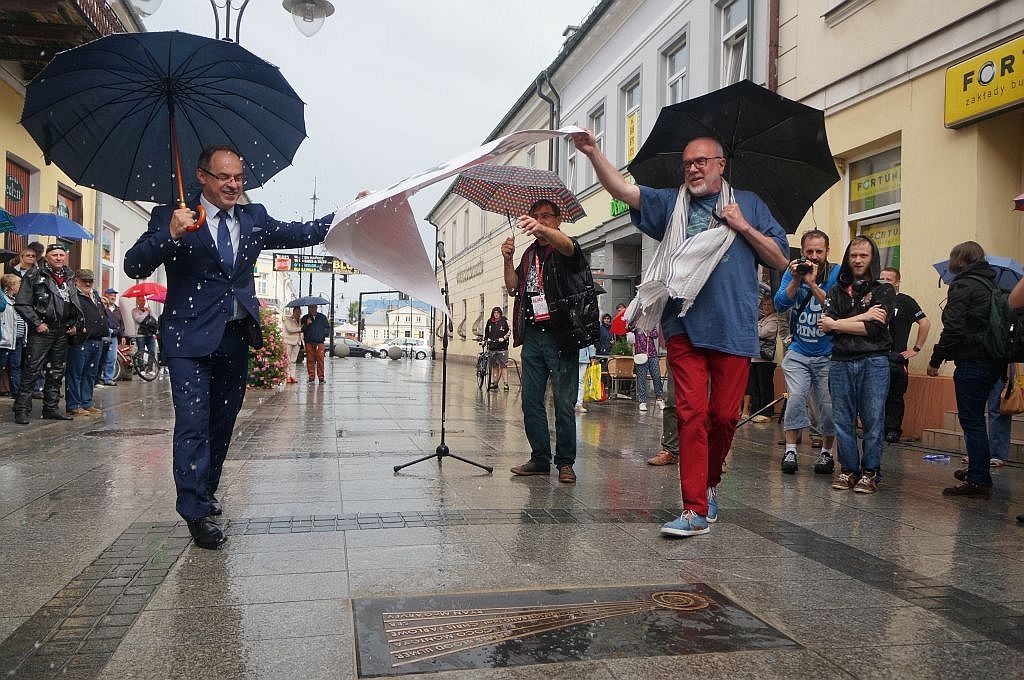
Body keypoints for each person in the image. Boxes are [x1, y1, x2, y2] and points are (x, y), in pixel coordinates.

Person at [571, 131, 788, 536]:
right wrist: (593, 152)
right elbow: (623, 189)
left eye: (702, 161)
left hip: (734, 328)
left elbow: (779, 257)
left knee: (723, 417)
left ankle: (709, 485)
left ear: (721, 164)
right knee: (691, 415)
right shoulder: (672, 204)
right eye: (688, 162)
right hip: (683, 325)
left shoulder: (751, 205)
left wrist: (743, 226)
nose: (693, 168)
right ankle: (693, 509)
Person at [124, 143, 335, 549]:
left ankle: (206, 490)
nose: (233, 184)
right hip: (188, 340)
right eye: (224, 177)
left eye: (239, 177)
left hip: (235, 337)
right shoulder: (174, 215)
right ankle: (194, 511)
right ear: (202, 177)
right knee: (192, 423)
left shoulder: (253, 218)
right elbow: (135, 263)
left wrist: (346, 215)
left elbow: (300, 232)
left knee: (222, 424)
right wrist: (169, 234)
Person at [502, 198, 599, 485]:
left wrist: (545, 232)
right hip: (532, 334)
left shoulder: (565, 248)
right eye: (535, 217)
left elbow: (570, 247)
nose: (541, 221)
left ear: (558, 221)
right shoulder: (528, 254)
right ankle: (540, 458)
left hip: (561, 335)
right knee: (530, 400)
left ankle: (566, 462)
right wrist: (507, 260)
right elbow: (512, 287)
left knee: (563, 401)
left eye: (547, 216)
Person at [819, 236, 895, 493]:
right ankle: (849, 470)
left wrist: (838, 323)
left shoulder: (884, 290)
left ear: (872, 258)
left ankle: (870, 472)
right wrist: (860, 317)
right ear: (847, 258)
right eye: (854, 255)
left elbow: (874, 328)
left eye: (863, 255)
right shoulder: (835, 290)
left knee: (873, 418)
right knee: (842, 420)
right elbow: (824, 326)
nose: (858, 260)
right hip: (840, 362)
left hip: (874, 361)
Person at [927, 241, 1001, 499]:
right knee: (977, 420)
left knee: (972, 422)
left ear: (958, 260)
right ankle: (978, 469)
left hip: (972, 360)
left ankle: (978, 481)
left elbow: (954, 329)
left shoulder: (963, 285)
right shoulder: (992, 284)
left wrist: (936, 358)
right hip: (992, 362)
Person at [774, 229, 840, 475]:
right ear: (802, 252)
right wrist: (795, 279)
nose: (813, 256)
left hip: (828, 352)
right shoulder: (792, 272)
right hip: (799, 351)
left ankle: (826, 453)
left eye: (818, 251)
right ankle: (790, 450)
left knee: (827, 405)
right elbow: (781, 304)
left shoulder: (836, 273)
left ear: (827, 252)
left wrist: (812, 283)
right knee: (797, 397)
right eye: (809, 251)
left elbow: (836, 308)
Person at [13, 242, 83, 424]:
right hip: (43, 330)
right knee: (32, 370)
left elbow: (73, 302)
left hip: (62, 331)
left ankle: (51, 408)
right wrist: (37, 323)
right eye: (54, 255)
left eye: (61, 255)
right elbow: (22, 303)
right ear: (47, 257)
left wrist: (75, 322)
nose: (59, 258)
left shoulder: (69, 276)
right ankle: (21, 410)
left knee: (57, 371)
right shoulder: (35, 274)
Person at [879, 267, 931, 443]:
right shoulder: (874, 300)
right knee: (875, 394)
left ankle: (893, 430)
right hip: (875, 356)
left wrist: (916, 349)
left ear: (897, 282)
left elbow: (924, 323)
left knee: (895, 395)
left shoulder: (905, 301)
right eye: (882, 278)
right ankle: (876, 428)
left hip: (896, 358)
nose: (885, 282)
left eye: (889, 279)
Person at [65, 269, 108, 416]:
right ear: (76, 280)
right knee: (76, 374)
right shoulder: (72, 296)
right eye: (84, 280)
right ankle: (74, 405)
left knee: (90, 374)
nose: (88, 283)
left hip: (96, 339)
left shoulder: (94, 295)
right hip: (81, 340)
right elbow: (67, 315)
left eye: (90, 280)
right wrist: (73, 327)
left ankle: (86, 403)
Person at [745, 290, 778, 423]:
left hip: (766, 359)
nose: (766, 307)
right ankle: (756, 411)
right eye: (764, 305)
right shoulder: (761, 319)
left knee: (765, 387)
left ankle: (767, 412)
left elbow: (763, 332)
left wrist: (752, 329)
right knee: (755, 387)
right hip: (755, 357)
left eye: (769, 305)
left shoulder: (774, 319)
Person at [646, 363, 680, 465]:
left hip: (712, 349)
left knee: (709, 402)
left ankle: (713, 454)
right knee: (673, 400)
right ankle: (671, 450)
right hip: (680, 350)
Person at [0, 274, 26, 397]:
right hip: (6, 338)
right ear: (10, 286)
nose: (20, 285)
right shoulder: (3, 300)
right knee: (2, 365)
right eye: (18, 283)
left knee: (16, 366)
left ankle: (16, 392)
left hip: (18, 339)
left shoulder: (17, 300)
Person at [631, 325, 664, 411]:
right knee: (642, 378)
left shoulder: (651, 325)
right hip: (641, 355)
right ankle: (642, 401)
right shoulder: (636, 326)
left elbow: (656, 334)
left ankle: (659, 398)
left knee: (657, 376)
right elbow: (628, 328)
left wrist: (648, 331)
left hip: (652, 354)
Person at [99, 288, 124, 386]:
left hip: (114, 337)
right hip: (104, 335)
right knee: (101, 358)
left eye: (114, 295)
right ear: (106, 295)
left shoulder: (117, 309)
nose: (113, 297)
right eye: (111, 295)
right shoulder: (102, 308)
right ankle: (99, 378)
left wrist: (122, 336)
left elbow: (121, 323)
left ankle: (108, 378)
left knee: (112, 358)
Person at [301, 303, 330, 383]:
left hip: (319, 342)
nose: (312, 310)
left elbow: (327, 328)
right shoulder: (305, 318)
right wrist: (307, 324)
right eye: (310, 308)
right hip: (309, 342)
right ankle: (311, 377)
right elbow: (302, 329)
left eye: (313, 308)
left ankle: (321, 377)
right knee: (310, 360)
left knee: (320, 360)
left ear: (316, 308)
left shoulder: (322, 317)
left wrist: (323, 334)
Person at [483, 306, 511, 390]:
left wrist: (504, 338)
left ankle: (506, 384)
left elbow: (510, 330)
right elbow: (486, 332)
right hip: (492, 347)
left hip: (502, 348)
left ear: (500, 313)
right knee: (494, 366)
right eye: (494, 313)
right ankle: (495, 382)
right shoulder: (490, 321)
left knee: (503, 366)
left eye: (497, 313)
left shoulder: (505, 320)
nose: (496, 314)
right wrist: (485, 340)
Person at [281, 306, 303, 384]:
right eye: (297, 312)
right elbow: (290, 329)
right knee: (288, 360)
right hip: (288, 341)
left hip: (297, 342)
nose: (298, 313)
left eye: (299, 312)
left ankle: (293, 376)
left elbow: (301, 333)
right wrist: (301, 328)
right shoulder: (287, 319)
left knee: (293, 360)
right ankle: (287, 376)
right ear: (293, 312)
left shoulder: (300, 321)